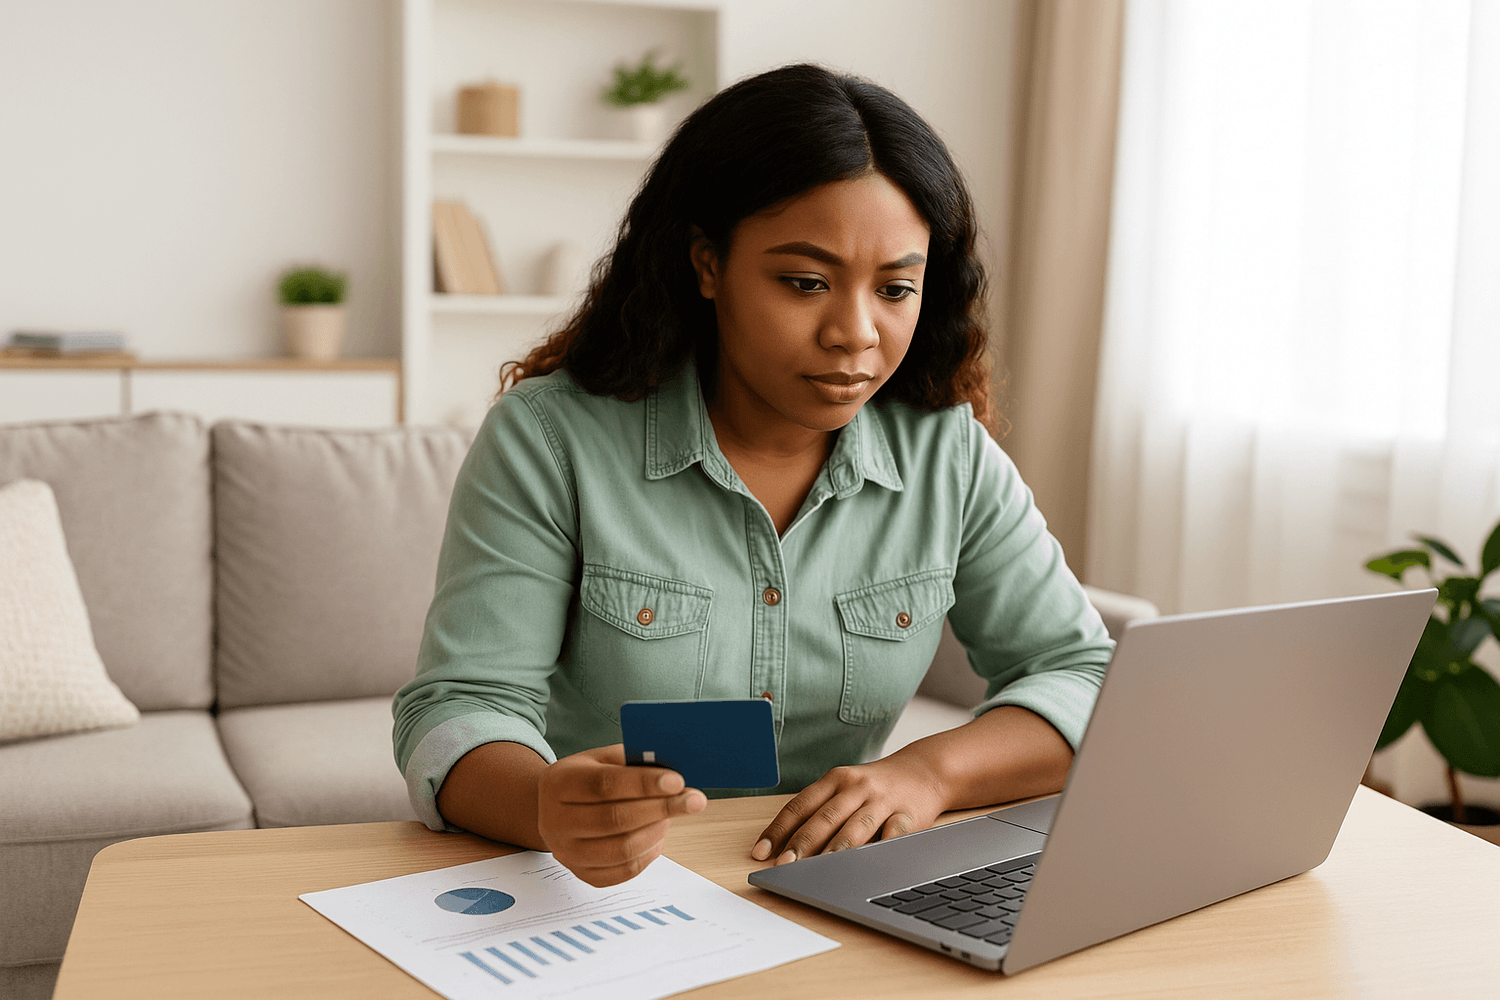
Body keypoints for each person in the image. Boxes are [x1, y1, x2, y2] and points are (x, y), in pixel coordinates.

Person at [393, 64, 1112, 888]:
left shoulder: (945, 452)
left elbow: (1082, 673)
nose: (855, 333)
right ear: (707, 264)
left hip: (832, 889)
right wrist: (547, 804)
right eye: (805, 283)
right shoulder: (551, 439)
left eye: (896, 289)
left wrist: (927, 774)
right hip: (593, 897)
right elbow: (457, 710)